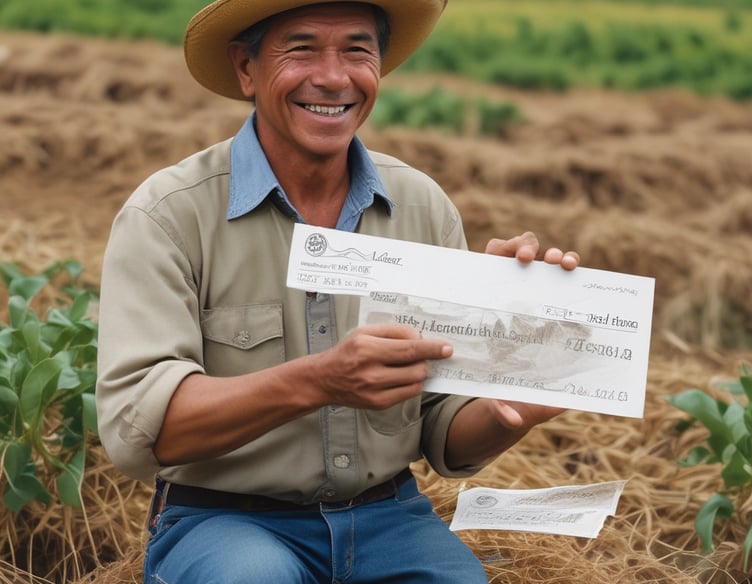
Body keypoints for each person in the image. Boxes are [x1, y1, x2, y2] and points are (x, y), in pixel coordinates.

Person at [95, 1, 580, 582]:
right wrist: (319, 380)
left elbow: (440, 425)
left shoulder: (422, 207)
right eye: (301, 48)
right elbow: (140, 428)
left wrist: (511, 407)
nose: (333, 76)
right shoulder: (170, 216)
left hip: (389, 517)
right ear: (245, 68)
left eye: (357, 49)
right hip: (227, 520)